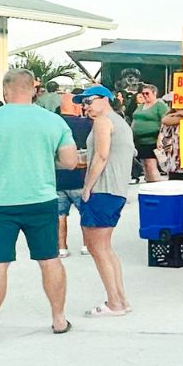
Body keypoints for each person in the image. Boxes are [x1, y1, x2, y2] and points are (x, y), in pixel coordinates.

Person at [0, 68, 81, 346]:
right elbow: (70, 161)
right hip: (41, 200)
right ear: (34, 90)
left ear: (5, 91)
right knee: (49, 259)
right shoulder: (53, 121)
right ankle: (59, 319)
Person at [75, 84, 135, 317]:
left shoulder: (103, 121)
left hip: (102, 189)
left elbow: (101, 155)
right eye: (83, 104)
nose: (86, 107)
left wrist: (87, 187)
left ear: (105, 99)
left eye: (89, 101)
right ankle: (120, 299)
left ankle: (115, 302)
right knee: (105, 247)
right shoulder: (120, 123)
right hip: (115, 190)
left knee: (97, 247)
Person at [54, 89, 94, 258]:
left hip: (57, 176)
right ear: (76, 107)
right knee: (85, 213)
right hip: (80, 175)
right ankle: (87, 245)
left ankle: (61, 247)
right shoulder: (87, 124)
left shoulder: (53, 124)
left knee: (59, 215)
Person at [131, 83, 170, 184]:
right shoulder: (141, 106)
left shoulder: (160, 106)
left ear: (154, 93)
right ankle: (149, 183)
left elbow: (165, 122)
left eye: (147, 93)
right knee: (145, 165)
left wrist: (160, 138)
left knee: (151, 164)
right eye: (143, 93)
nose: (145, 95)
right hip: (140, 140)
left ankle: (155, 186)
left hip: (152, 139)